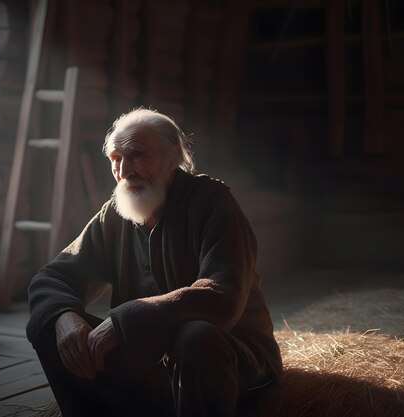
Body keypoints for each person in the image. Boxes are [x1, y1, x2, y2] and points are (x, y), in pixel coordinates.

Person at [26, 108, 282, 417]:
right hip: (153, 366)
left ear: (173, 158)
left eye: (136, 156)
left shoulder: (212, 202)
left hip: (234, 363)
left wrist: (124, 323)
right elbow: (52, 277)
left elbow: (222, 294)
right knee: (48, 325)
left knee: (195, 336)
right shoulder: (115, 214)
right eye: (115, 159)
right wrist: (65, 318)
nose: (124, 170)